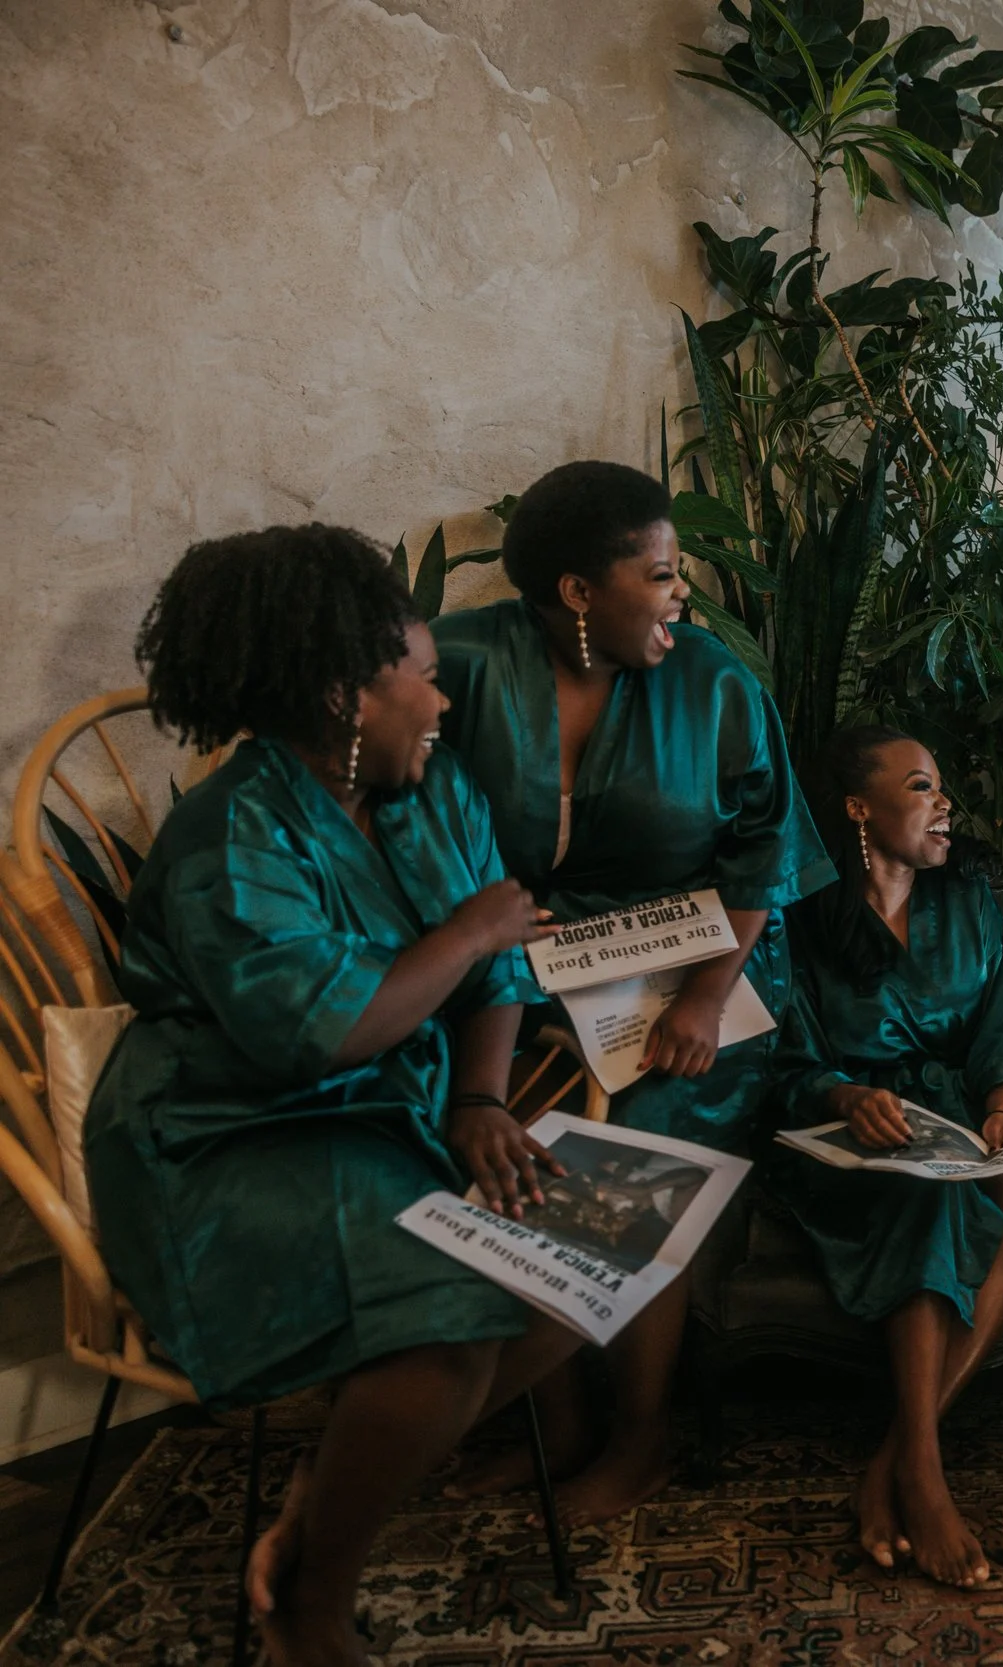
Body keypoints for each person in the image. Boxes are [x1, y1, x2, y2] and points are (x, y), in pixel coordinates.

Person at [86, 527, 581, 1666]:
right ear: (342, 696)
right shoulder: (229, 839)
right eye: (421, 672)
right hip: (227, 1138)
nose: (443, 699)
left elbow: (498, 970)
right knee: (455, 1316)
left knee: (585, 1268)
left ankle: (321, 1491)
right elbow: (318, 1033)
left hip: (389, 1119)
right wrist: (466, 929)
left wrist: (482, 1099)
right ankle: (312, 1605)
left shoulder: (430, 791)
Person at [432, 461, 832, 1524]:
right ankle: (555, 1422)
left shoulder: (712, 679)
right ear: (576, 590)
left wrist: (704, 994)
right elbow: (410, 809)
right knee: (506, 1129)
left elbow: (765, 848)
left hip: (712, 966)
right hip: (529, 972)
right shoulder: (466, 665)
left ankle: (642, 1433)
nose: (680, 594)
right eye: (659, 573)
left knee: (637, 1136)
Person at [767, 726, 1003, 1588]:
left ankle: (898, 1460)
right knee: (927, 1197)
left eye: (943, 785)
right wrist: (846, 1097)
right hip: (848, 1134)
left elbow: (998, 1026)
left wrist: (998, 1114)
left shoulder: (966, 896)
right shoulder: (803, 914)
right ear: (858, 808)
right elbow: (790, 1061)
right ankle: (926, 1474)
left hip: (956, 1117)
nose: (945, 803)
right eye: (921, 786)